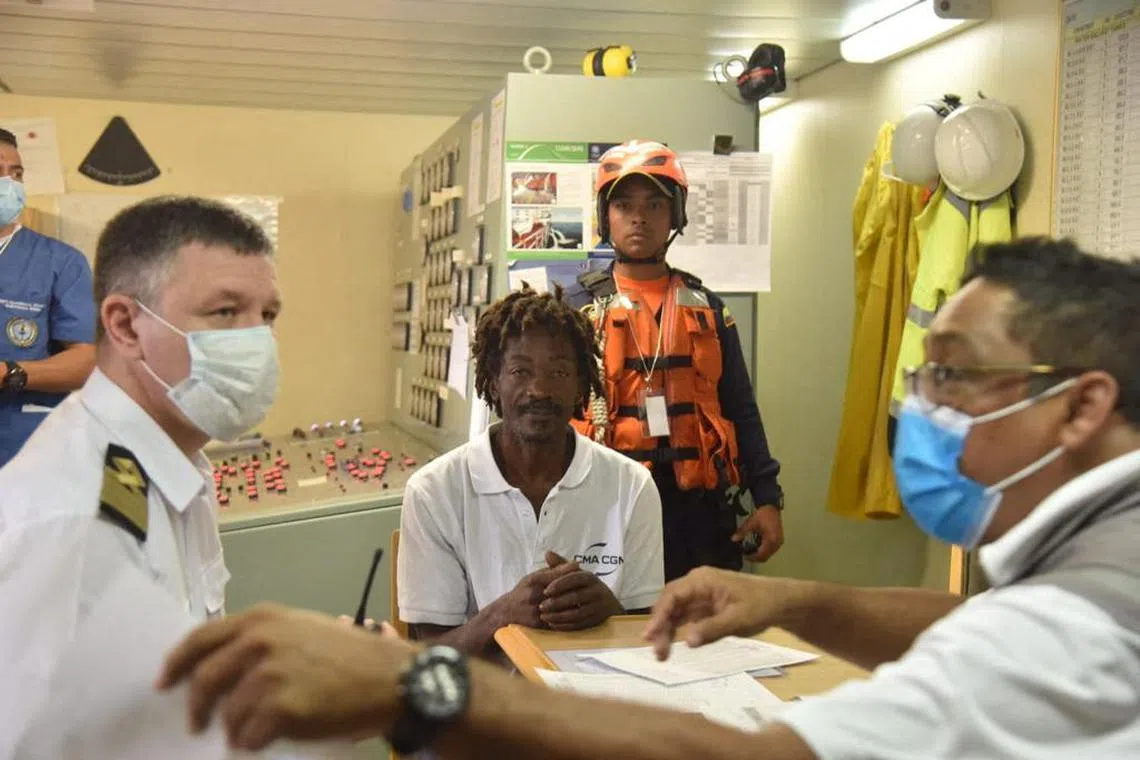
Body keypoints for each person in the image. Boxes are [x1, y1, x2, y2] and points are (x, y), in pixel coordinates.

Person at [160, 238, 1139, 758]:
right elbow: (981, 618)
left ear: (1080, 404)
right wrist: (796, 597)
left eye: (953, 378)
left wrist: (408, 687)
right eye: (919, 376)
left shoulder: (1076, 631)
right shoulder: (1093, 563)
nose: (919, 411)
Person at [0, 196, 285, 756]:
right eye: (226, 313)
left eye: (267, 316)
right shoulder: (71, 519)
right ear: (126, 325)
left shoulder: (169, 467)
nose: (258, 343)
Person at [397, 285, 664, 657]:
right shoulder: (433, 492)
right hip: (488, 707)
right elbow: (427, 654)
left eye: (558, 372)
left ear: (579, 385)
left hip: (591, 706)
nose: (539, 389)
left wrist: (610, 612)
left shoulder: (632, 486)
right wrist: (502, 615)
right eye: (520, 371)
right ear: (493, 380)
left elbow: (648, 641)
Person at [564, 139, 784, 580]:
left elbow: (740, 406)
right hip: (605, 505)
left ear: (676, 215)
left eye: (654, 205)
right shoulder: (575, 310)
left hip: (699, 514)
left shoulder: (707, 307)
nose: (639, 217)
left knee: (703, 636)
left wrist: (767, 498)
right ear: (606, 216)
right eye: (624, 205)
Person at [0, 126, 96, 467]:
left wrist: (8, 372)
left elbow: (85, 362)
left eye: (17, 173)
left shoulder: (61, 263)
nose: (9, 184)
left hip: (24, 453)